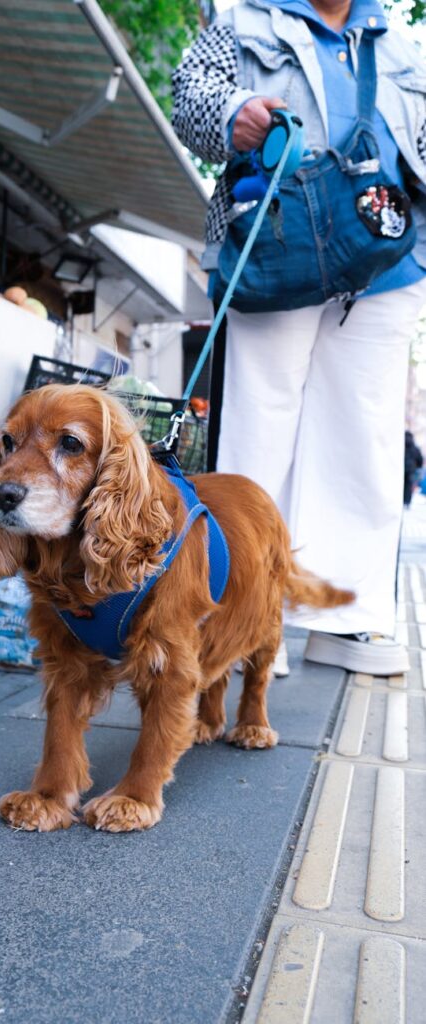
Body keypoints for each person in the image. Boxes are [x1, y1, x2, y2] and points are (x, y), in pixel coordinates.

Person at [172, 0, 426, 676]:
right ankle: (248, 619)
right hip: (276, 245)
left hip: (386, 259)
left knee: (364, 433)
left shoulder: (400, 44)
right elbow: (188, 100)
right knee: (260, 425)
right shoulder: (241, 22)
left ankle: (343, 616)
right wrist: (233, 115)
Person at [404, 430, 424, 507]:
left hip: (401, 470)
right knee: (408, 485)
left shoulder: (400, 446)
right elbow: (420, 459)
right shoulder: (415, 448)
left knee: (401, 485)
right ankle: (407, 502)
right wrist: (418, 466)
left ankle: (400, 501)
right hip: (411, 469)